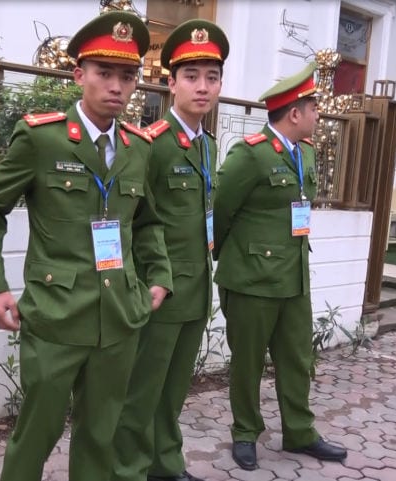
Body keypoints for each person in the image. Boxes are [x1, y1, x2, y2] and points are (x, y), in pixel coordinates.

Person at [0, 11, 172, 481]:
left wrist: (159, 277)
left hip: (118, 316)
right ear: (79, 74)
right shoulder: (42, 138)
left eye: (127, 76)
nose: (116, 86)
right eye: (104, 73)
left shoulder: (139, 147)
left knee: (100, 435)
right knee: (37, 431)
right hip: (56, 315)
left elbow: (147, 222)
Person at [212, 62, 348, 471]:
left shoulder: (305, 151)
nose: (318, 114)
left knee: (297, 359)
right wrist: (234, 257)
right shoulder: (250, 154)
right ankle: (245, 433)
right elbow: (221, 210)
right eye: (314, 108)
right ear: (294, 113)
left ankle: (300, 432)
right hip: (252, 278)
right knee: (248, 362)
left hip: (294, 276)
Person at [111, 19, 229, 481]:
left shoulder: (206, 146)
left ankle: (165, 463)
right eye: (191, 76)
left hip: (195, 288)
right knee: (142, 390)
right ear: (171, 83)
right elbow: (139, 221)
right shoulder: (152, 145)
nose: (202, 87)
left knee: (174, 388)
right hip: (159, 291)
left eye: (212, 77)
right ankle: (128, 470)